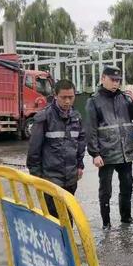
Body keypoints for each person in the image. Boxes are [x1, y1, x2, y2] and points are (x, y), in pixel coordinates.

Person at [85, 66, 133, 229]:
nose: (116, 83)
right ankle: (106, 223)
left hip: (125, 152)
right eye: (112, 80)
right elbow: (90, 130)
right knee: (105, 191)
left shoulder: (124, 98)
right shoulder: (94, 101)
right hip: (106, 154)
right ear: (103, 78)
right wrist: (95, 153)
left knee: (127, 186)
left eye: (118, 80)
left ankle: (126, 218)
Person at [26, 79, 86, 220]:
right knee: (53, 219)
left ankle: (68, 242)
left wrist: (79, 165)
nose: (67, 101)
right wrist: (38, 178)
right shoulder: (44, 117)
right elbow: (33, 150)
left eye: (70, 97)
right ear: (55, 96)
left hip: (71, 179)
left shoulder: (76, 117)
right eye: (63, 97)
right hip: (51, 179)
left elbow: (81, 143)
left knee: (69, 216)